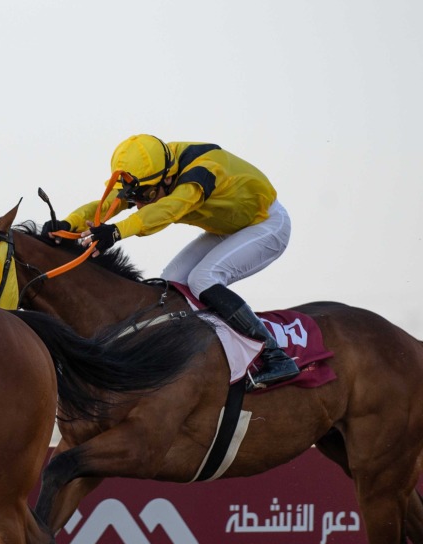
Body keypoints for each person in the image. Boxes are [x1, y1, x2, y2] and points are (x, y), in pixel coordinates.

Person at [43, 134, 299, 387]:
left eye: (148, 195)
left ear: (168, 177)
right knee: (170, 283)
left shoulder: (203, 172)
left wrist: (117, 231)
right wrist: (68, 223)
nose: (141, 205)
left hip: (267, 225)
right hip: (230, 227)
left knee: (203, 279)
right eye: (137, 198)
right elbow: (108, 204)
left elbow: (168, 209)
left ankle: (275, 355)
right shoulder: (151, 171)